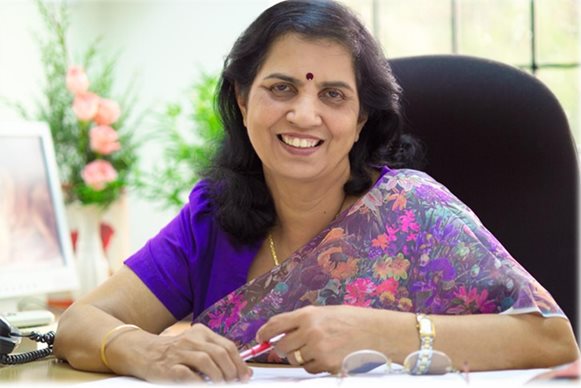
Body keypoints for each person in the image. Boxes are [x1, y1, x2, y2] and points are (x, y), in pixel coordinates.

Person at [54, 0, 579, 383]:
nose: (304, 114)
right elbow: (78, 322)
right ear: (242, 99)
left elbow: (551, 337)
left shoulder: (415, 214)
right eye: (281, 88)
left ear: (360, 118)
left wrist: (379, 333)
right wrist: (142, 351)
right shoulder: (214, 217)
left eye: (332, 94)